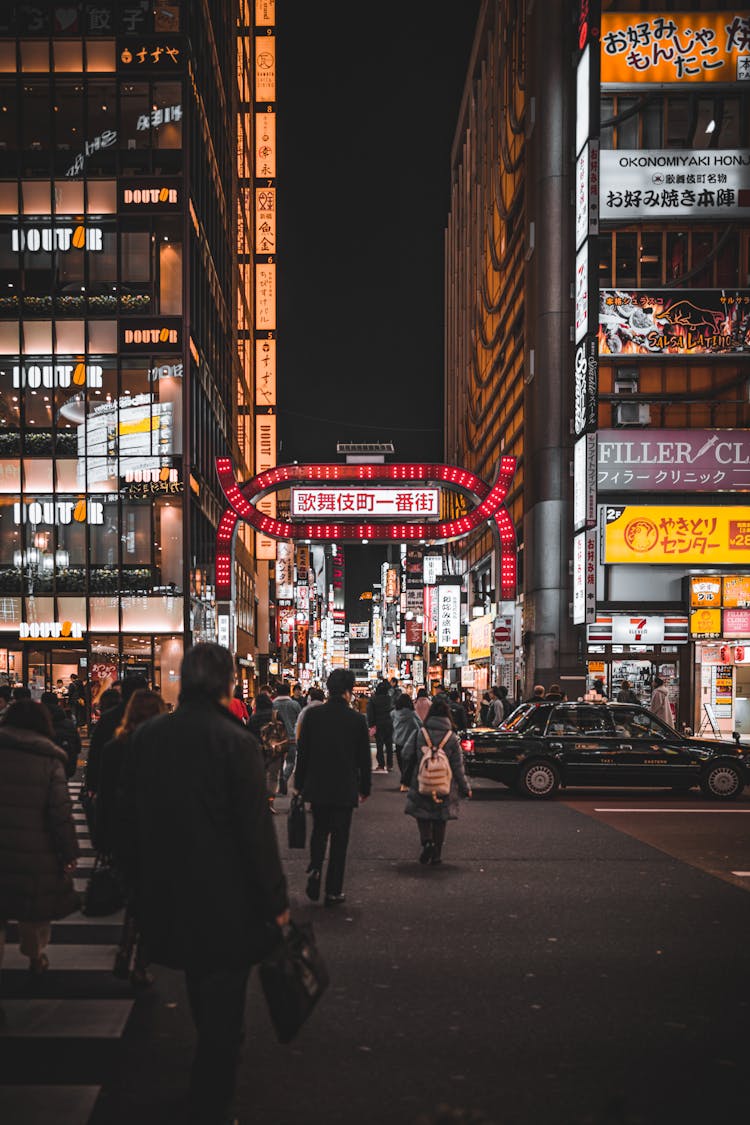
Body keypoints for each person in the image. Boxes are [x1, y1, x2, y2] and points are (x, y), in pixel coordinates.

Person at [118, 642, 289, 1125]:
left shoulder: (148, 737)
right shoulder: (236, 742)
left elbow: (126, 817)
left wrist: (135, 880)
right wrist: (275, 902)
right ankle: (210, 1102)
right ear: (227, 683)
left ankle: (205, 1091)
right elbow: (256, 833)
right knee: (223, 1013)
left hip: (167, 891)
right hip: (227, 899)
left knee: (198, 985)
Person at [0, 700, 79, 1018]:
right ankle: (35, 955)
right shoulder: (48, 759)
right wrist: (69, 851)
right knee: (33, 910)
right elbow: (60, 812)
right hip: (34, 848)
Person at [294, 667, 371, 907]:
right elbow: (364, 759)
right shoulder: (357, 720)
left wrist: (299, 784)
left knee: (319, 831)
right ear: (349, 691)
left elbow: (303, 753)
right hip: (344, 787)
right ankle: (333, 890)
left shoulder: (313, 717)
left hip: (317, 785)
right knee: (340, 840)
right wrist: (364, 788)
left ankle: (315, 868)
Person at [401, 697, 472, 866]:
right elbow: (458, 767)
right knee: (440, 819)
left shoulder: (420, 733)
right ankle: (437, 855)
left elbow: (405, 753)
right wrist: (465, 787)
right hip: (444, 783)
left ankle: (427, 842)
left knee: (422, 814)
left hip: (422, 780)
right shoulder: (452, 738)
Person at [85, 674, 148, 801]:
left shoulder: (109, 717)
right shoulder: (153, 716)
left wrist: (92, 785)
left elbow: (95, 752)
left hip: (112, 783)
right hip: (146, 787)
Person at [247, 691, 281, 811]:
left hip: (258, 751)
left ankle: (260, 802)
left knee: (260, 776)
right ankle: (270, 802)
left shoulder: (253, 718)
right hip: (274, 749)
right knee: (272, 777)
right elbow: (282, 731)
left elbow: (249, 735)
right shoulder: (275, 714)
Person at [40, 691, 82, 780]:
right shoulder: (69, 723)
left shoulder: (37, 722)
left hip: (42, 767)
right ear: (58, 703)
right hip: (65, 766)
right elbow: (78, 747)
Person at [272, 681, 301, 794]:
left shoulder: (273, 705)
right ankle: (284, 778)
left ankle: (279, 780)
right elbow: (300, 721)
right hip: (292, 737)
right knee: (290, 761)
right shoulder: (294, 704)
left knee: (278, 762)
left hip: (276, 738)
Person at [392, 693, 423, 791]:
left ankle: (405, 781)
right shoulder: (412, 714)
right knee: (409, 762)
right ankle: (406, 782)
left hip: (398, 740)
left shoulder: (393, 713)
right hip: (410, 741)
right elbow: (420, 725)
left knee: (401, 762)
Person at [366, 678, 394, 772]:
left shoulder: (373, 700)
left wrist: (371, 725)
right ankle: (390, 764)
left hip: (378, 724)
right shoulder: (389, 699)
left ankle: (381, 764)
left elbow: (370, 713)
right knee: (389, 745)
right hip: (389, 724)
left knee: (379, 745)